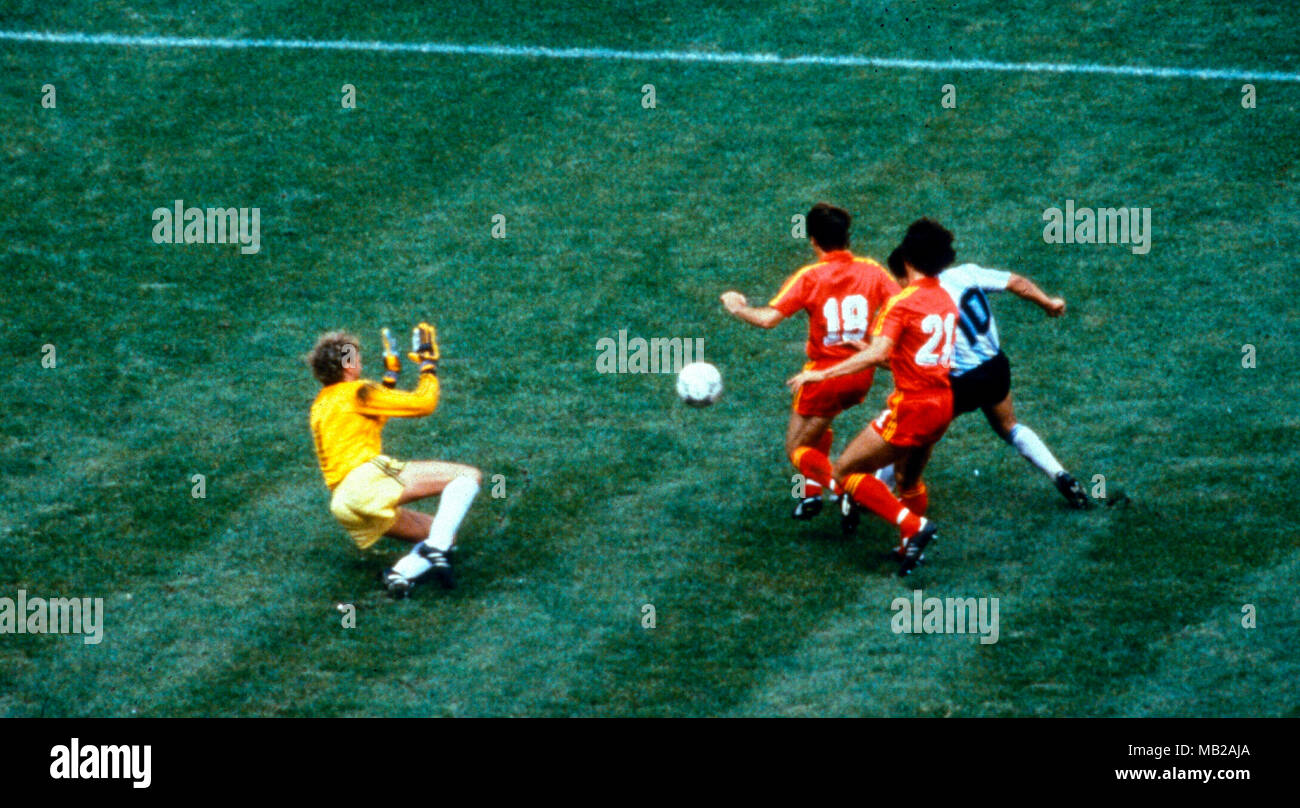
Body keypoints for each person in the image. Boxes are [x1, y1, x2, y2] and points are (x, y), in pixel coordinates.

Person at [787, 219, 960, 575]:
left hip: (911, 407)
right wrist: (868, 351)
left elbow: (878, 354)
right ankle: (910, 549)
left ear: (907, 258)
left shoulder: (903, 303)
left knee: (845, 470)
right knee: (908, 480)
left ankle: (914, 526)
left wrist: (820, 373)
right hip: (943, 404)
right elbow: (905, 356)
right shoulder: (945, 299)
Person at [721, 203, 899, 520]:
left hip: (824, 375)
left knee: (797, 449)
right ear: (847, 237)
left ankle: (843, 487)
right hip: (861, 373)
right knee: (821, 426)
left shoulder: (810, 276)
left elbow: (768, 319)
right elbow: (901, 305)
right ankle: (810, 495)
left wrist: (736, 307)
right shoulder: (873, 270)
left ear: (813, 240)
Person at [876, 249, 1090, 508]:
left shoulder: (920, 301)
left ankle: (877, 489)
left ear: (908, 273)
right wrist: (1048, 303)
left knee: (914, 430)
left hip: (960, 382)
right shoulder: (967, 273)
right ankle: (1060, 474)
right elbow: (1017, 283)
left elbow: (903, 357)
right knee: (1009, 426)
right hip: (995, 367)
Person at [307, 324, 481, 598]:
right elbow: (424, 403)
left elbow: (372, 420)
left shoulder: (320, 404)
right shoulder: (357, 392)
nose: (361, 361)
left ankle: (401, 574)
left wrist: (391, 376)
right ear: (347, 364)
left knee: (443, 532)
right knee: (469, 476)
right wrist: (428, 366)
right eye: (356, 357)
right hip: (366, 481)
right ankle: (435, 549)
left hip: (344, 503)